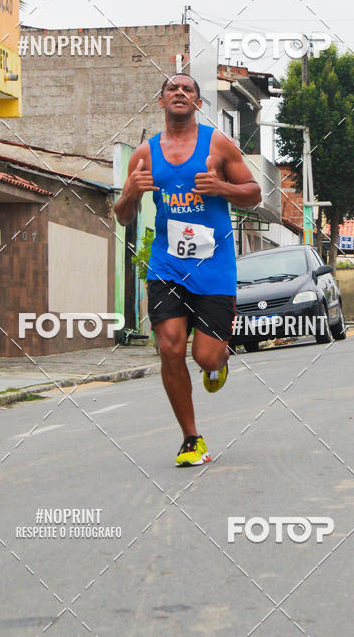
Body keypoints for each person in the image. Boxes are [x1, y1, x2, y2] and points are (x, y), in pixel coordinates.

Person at [114, 74, 262, 466]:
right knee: (169, 347)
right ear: (161, 100)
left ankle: (220, 360)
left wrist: (222, 188)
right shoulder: (143, 155)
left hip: (214, 266)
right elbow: (123, 215)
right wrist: (130, 193)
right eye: (172, 89)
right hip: (167, 265)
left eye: (188, 90)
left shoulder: (218, 145)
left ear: (198, 103)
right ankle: (191, 438)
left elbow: (254, 193)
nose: (180, 93)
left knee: (207, 358)